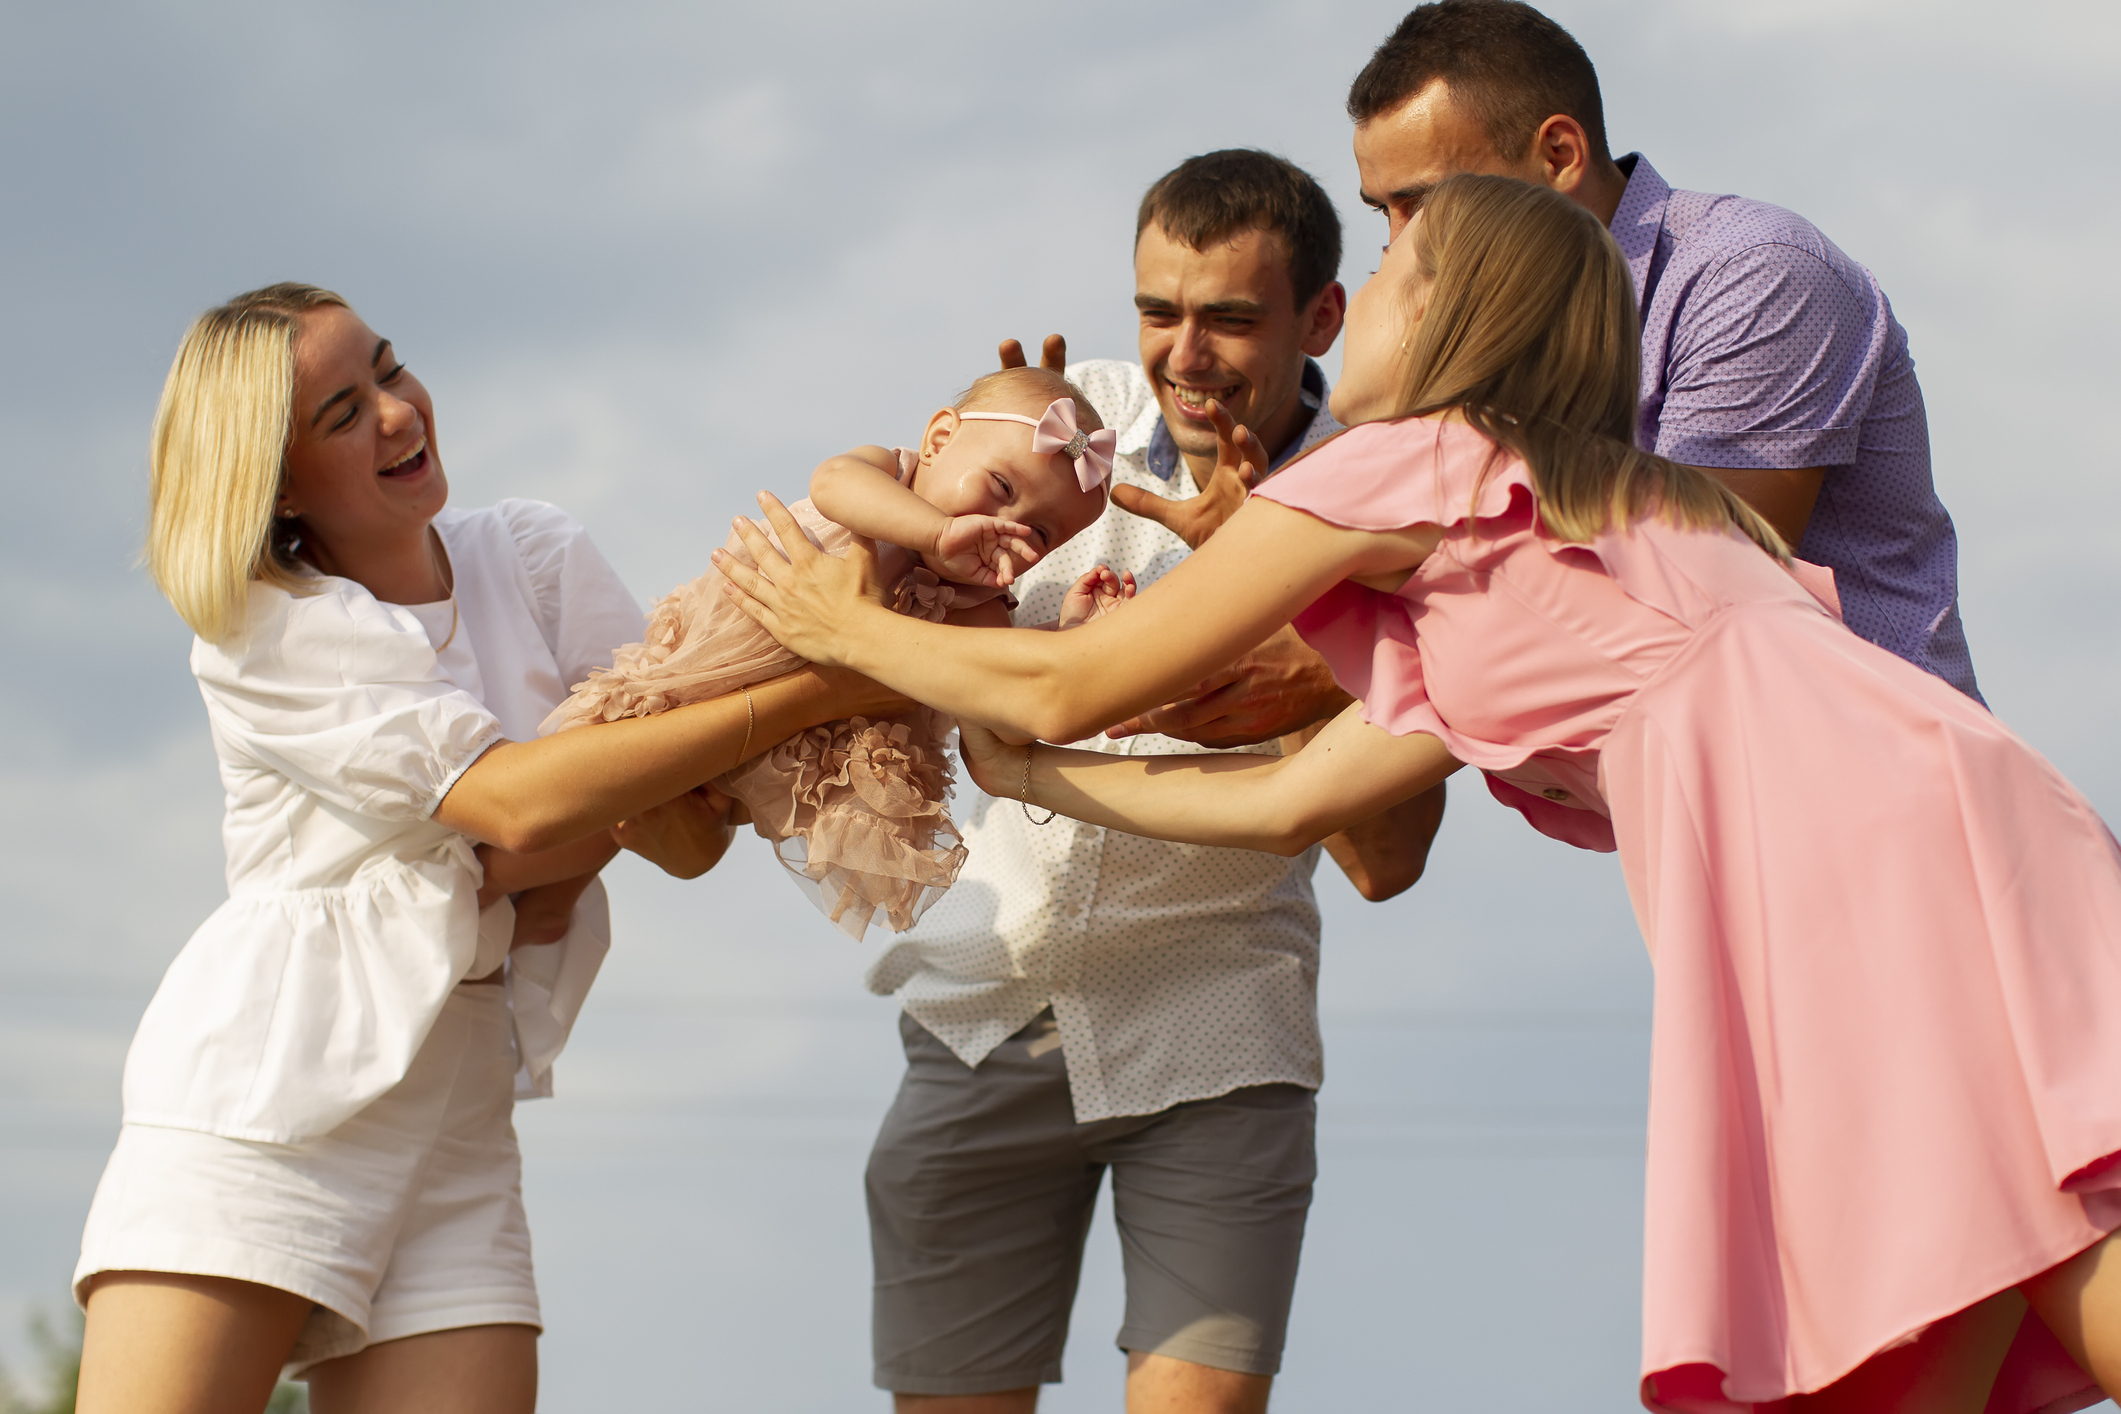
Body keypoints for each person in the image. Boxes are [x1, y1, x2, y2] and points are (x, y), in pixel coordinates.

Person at [716, 175, 2121, 1414]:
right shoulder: (1579, 521)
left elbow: (1065, 684)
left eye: (1390, 271)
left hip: (1855, 859)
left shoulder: (1409, 463)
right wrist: (1042, 782)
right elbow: (1291, 801)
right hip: (1943, 816)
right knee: (1934, 1292)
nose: (1367, 293)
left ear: (1449, 319)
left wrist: (842, 626)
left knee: (2023, 1234)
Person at [74, 283, 908, 1414]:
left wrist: (630, 779)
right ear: (270, 483)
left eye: (390, 367)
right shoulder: (265, 624)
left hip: (458, 1113)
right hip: (268, 1104)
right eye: (340, 413)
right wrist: (821, 680)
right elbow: (520, 806)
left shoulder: (533, 554)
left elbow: (681, 828)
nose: (398, 411)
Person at [840, 150, 1445, 1414]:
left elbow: (1387, 860)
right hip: (984, 1010)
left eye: (1229, 317)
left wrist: (1314, 634)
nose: (1184, 354)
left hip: (1218, 1033)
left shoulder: (1380, 506)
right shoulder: (1069, 431)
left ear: (1320, 319)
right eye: (1157, 310)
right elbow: (868, 530)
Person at [1346, 0, 1982, 699]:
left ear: (1558, 154)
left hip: (1878, 774)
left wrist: (1339, 636)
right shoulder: (1505, 332)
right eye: (1384, 211)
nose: (1396, 246)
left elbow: (1681, 597)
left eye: (1425, 203)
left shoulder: (1755, 274)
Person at [542, 366, 1123, 940]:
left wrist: (1066, 640)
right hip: (722, 664)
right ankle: (540, 887)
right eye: (1000, 488)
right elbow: (832, 482)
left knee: (700, 825)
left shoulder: (981, 604)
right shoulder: (888, 475)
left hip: (806, 745)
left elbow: (1006, 706)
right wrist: (933, 533)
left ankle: (658, 843)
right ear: (939, 439)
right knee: (603, 761)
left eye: (1041, 534)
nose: (1008, 527)